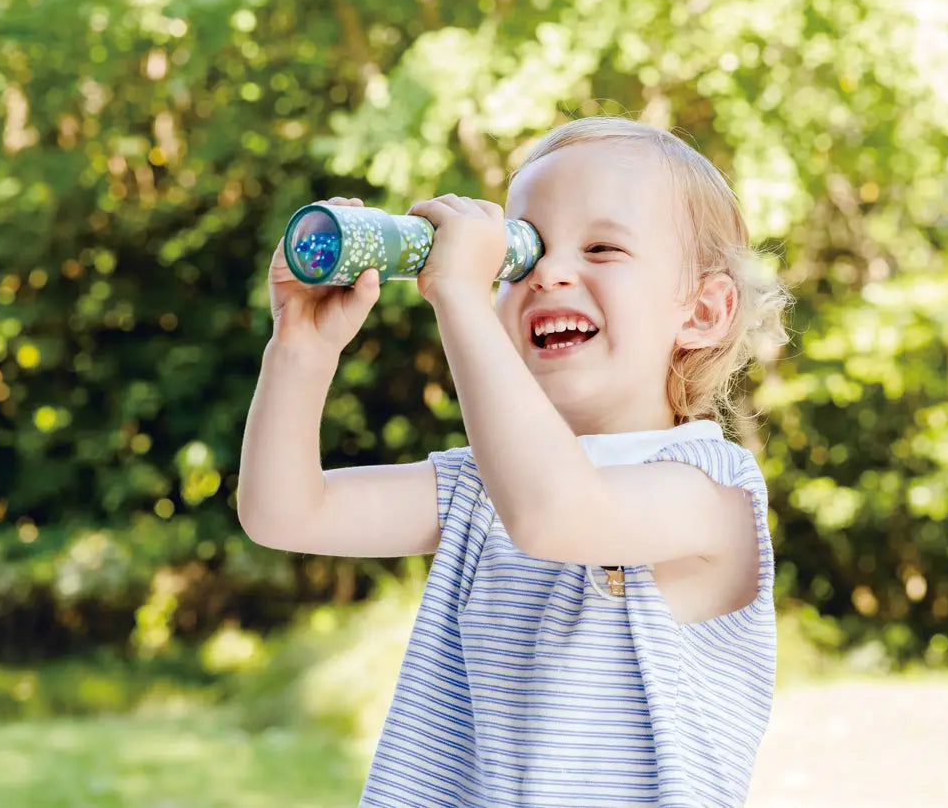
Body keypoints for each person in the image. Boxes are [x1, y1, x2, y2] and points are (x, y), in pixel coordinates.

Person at [238, 116, 790, 807]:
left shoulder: (709, 494)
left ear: (703, 311)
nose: (549, 273)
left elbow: (556, 511)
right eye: (519, 257)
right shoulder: (479, 486)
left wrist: (461, 293)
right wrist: (301, 347)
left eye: (601, 247)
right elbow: (285, 510)